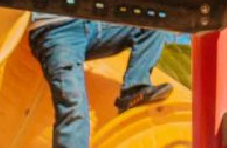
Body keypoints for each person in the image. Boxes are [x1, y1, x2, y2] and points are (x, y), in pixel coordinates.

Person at [29, 13, 173, 147]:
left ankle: (134, 89)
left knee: (153, 22)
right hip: (57, 30)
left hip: (92, 23)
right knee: (73, 107)